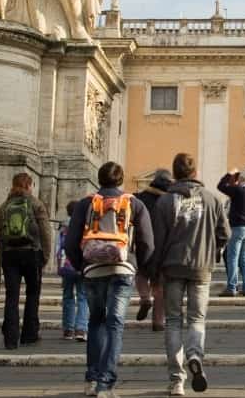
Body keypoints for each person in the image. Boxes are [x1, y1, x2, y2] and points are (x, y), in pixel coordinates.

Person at [66, 161, 154, 398]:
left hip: (93, 270)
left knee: (96, 321)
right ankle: (106, 383)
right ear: (120, 180)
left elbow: (71, 241)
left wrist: (81, 265)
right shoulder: (134, 203)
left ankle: (92, 379)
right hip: (122, 270)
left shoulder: (86, 203)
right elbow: (147, 242)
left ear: (99, 179)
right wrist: (139, 266)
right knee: (115, 324)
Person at [146, 152, 229, 396]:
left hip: (172, 267)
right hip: (201, 267)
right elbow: (225, 233)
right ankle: (194, 355)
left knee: (173, 321)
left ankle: (176, 380)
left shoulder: (164, 202)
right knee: (196, 319)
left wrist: (154, 273)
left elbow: (157, 241)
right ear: (195, 173)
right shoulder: (212, 199)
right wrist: (213, 251)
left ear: (174, 174)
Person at [0, 172, 52, 349]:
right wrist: (45, 255)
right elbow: (45, 232)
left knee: (12, 296)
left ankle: (10, 338)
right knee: (32, 295)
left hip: (10, 255)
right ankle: (30, 334)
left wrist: (6, 245)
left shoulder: (5, 206)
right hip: (32, 253)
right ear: (29, 185)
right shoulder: (36, 204)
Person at [135, 169, 173, 332]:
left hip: (143, 242)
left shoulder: (140, 197)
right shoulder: (171, 200)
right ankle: (159, 321)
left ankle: (144, 298)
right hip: (164, 246)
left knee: (141, 273)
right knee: (160, 285)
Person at [217, 168, 245, 296]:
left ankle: (232, 287)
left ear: (240, 179)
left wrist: (229, 173)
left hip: (237, 228)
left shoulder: (238, 190)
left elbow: (221, 186)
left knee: (232, 258)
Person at [57, 201, 88, 342]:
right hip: (81, 265)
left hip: (67, 265)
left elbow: (58, 248)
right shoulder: (85, 225)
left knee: (68, 296)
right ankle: (81, 329)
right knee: (83, 297)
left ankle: (68, 330)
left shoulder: (63, 227)